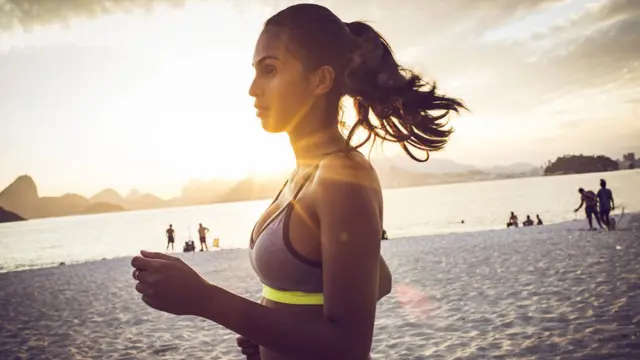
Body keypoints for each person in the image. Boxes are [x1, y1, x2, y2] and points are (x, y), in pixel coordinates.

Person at [130, 4, 465, 359]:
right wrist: (268, 336)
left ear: (320, 80)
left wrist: (205, 299)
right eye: (256, 71)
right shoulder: (303, 174)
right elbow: (374, 281)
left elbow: (348, 346)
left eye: (270, 70)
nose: (252, 89)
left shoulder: (344, 178)